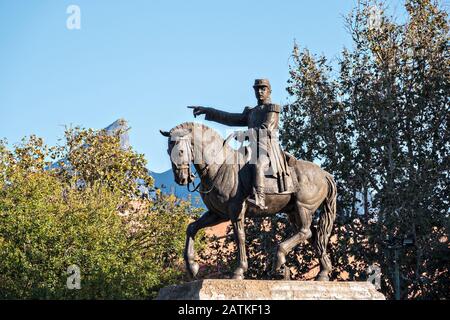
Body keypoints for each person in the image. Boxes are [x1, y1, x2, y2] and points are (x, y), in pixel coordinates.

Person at [188, 79, 288, 210]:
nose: (259, 91)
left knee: (257, 164)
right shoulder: (251, 111)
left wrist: (244, 134)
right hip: (250, 148)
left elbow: (266, 129)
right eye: (257, 89)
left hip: (267, 148)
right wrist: (208, 110)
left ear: (269, 91)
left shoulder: (272, 108)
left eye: (263, 89)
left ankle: (260, 198)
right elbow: (230, 118)